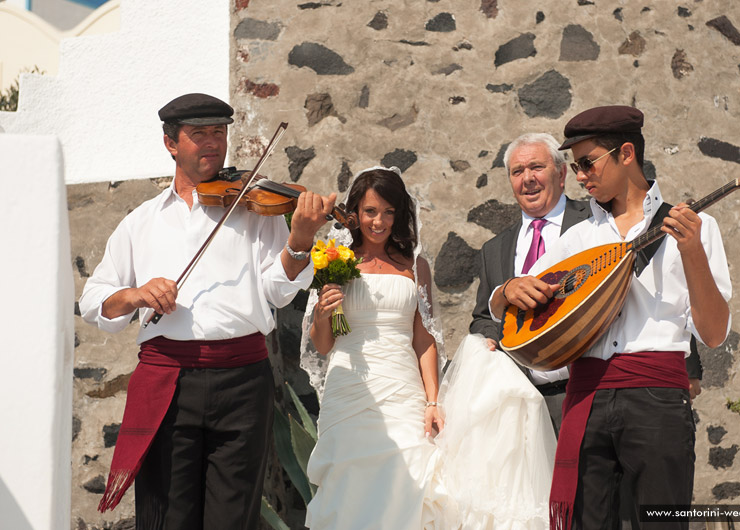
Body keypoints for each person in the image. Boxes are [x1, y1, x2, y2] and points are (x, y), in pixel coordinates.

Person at [80, 93, 335, 529]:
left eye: (219, 132)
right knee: (168, 517)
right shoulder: (141, 221)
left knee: (232, 518)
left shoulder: (255, 210)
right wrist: (136, 294)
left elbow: (276, 290)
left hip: (243, 380)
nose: (212, 143)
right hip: (169, 381)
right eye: (199, 134)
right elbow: (93, 301)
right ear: (171, 144)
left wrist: (299, 241)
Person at [489, 106, 732, 530]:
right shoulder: (578, 239)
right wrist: (506, 291)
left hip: (656, 400)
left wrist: (691, 250)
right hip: (584, 400)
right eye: (575, 165)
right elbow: (519, 303)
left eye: (587, 163)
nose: (579, 176)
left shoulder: (698, 227)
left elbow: (713, 334)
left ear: (625, 154)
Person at [301, 167, 556, 529]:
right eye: (371, 211)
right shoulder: (334, 258)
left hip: (403, 389)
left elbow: (424, 339)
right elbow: (323, 344)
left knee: (411, 481)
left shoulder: (415, 266)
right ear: (354, 212)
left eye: (389, 212)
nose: (380, 221)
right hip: (350, 388)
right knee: (350, 486)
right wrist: (324, 314)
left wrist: (433, 400)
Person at [470, 132, 590, 433]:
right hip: (523, 403)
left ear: (561, 173)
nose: (528, 179)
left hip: (590, 392)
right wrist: (488, 336)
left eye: (536, 167)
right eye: (517, 171)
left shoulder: (596, 221)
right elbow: (483, 319)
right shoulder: (494, 250)